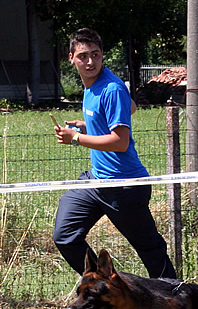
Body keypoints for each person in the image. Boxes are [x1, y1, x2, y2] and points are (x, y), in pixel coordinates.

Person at [53, 28, 177, 279]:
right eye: (83, 56)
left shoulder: (111, 87)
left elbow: (120, 143)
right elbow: (129, 108)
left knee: (151, 251)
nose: (90, 61)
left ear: (102, 55)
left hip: (124, 185)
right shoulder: (92, 86)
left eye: (95, 55)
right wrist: (89, 125)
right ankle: (105, 286)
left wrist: (75, 138)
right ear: (71, 58)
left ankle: (175, 300)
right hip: (96, 180)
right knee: (65, 236)